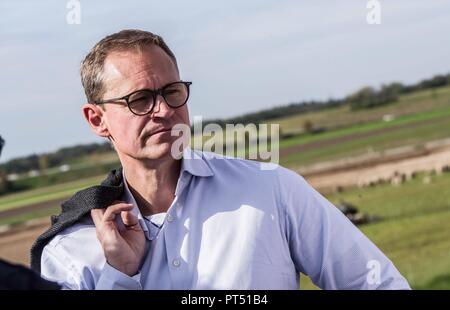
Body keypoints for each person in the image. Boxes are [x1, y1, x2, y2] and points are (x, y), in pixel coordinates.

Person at [31, 29, 410, 290]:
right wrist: (119, 275)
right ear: (97, 120)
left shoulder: (270, 188)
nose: (163, 110)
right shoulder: (71, 247)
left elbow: (373, 280)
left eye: (172, 91)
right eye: (140, 100)